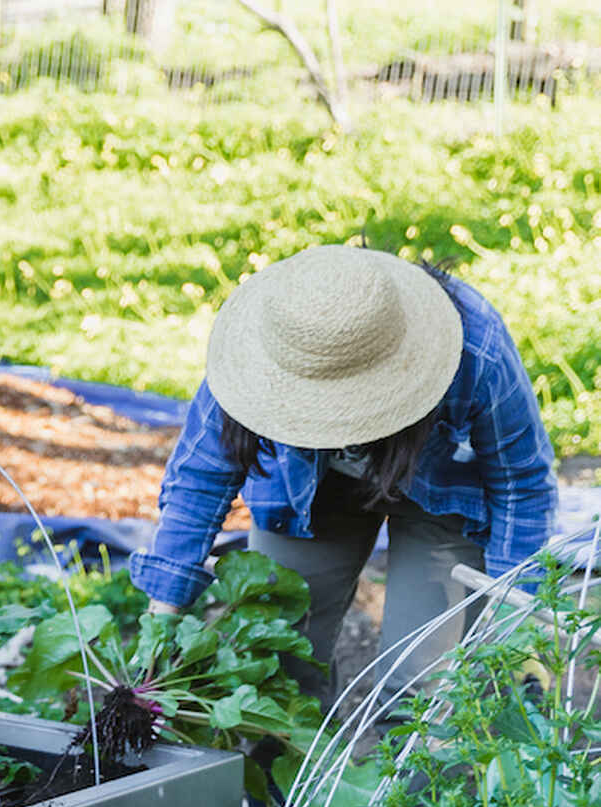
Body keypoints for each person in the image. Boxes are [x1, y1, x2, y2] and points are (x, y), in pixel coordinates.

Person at [131, 244, 556, 710]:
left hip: (438, 490)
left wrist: (517, 619)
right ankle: (290, 781)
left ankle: (417, 779)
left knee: (420, 689)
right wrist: (162, 620)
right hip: (308, 487)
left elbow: (523, 483)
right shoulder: (256, 351)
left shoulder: (473, 349)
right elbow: (200, 475)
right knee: (276, 664)